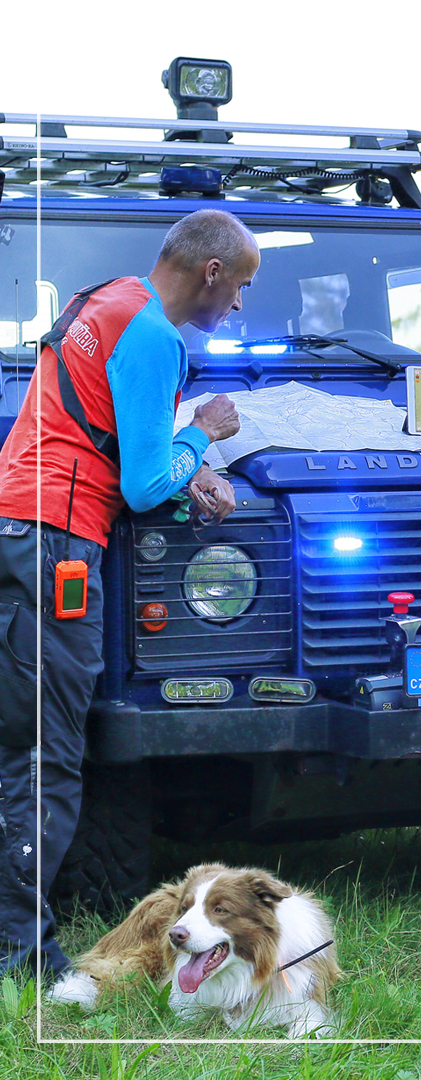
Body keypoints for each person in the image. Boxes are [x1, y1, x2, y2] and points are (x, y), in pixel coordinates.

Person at [0, 207, 259, 981]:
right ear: (210, 271)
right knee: (46, 759)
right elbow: (144, 485)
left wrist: (188, 472)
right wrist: (203, 435)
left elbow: (107, 434)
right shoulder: (156, 338)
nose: (238, 306)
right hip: (61, 548)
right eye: (240, 286)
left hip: (20, 524)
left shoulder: (107, 299)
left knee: (18, 745)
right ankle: (23, 958)